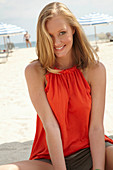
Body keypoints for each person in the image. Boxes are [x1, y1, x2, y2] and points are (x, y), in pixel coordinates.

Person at [0, 2, 113, 170]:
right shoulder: (35, 72)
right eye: (49, 36)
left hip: (91, 150)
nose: (56, 42)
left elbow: (96, 126)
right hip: (50, 159)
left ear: (73, 29)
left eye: (62, 33)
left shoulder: (95, 69)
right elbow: (50, 125)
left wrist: (98, 169)